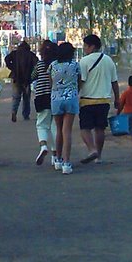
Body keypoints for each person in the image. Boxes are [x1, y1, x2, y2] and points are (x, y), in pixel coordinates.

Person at [77, 33, 119, 165]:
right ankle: (98, 156)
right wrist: (117, 98)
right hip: (104, 100)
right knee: (100, 129)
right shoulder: (108, 60)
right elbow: (114, 82)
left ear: (92, 46)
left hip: (87, 100)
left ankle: (91, 149)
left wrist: (75, 96)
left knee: (85, 128)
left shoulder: (83, 62)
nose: (84, 48)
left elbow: (81, 82)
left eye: (85, 46)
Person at [49, 41, 80, 174]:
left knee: (58, 129)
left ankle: (58, 159)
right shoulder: (75, 65)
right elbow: (80, 80)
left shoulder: (53, 65)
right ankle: (67, 163)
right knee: (67, 131)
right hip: (71, 97)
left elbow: (51, 82)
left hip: (56, 98)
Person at [30, 39, 57, 165]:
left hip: (41, 97)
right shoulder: (56, 65)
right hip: (54, 97)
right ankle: (55, 155)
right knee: (54, 126)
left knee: (41, 124)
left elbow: (32, 76)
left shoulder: (40, 65)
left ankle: (43, 146)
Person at [4, 40, 38, 122]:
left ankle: (14, 111)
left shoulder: (15, 53)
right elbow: (37, 64)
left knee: (16, 97)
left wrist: (12, 67)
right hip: (27, 79)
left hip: (16, 78)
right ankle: (26, 115)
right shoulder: (31, 55)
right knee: (26, 98)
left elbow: (7, 59)